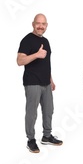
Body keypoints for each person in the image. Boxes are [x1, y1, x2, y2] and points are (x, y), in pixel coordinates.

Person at [17, 13, 62, 153]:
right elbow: (19, 61)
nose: (40, 26)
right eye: (38, 23)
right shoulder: (27, 40)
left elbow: (46, 63)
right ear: (33, 24)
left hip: (46, 82)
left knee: (49, 110)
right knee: (32, 112)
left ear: (46, 25)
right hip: (32, 82)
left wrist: (51, 79)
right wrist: (36, 54)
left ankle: (47, 136)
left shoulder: (46, 41)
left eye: (43, 24)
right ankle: (30, 139)